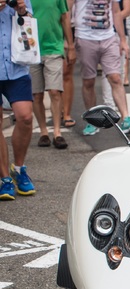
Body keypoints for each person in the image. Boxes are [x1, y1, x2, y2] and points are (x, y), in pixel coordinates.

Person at [72, 0, 130, 136]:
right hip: (85, 37)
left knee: (115, 78)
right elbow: (66, 11)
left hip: (108, 37)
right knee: (88, 81)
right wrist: (68, 41)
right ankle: (92, 122)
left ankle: (126, 119)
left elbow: (115, 12)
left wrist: (122, 40)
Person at [1, 0, 37, 200]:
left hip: (17, 64)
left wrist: (21, 10)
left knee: (25, 117)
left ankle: (19, 168)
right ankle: (5, 179)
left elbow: (30, 22)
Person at [30, 0, 75, 150]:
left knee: (55, 91)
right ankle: (43, 132)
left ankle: (57, 132)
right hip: (30, 50)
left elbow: (64, 17)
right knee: (36, 94)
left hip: (53, 48)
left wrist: (71, 45)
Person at [61, 0, 75, 128]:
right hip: (56, 26)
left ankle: (66, 113)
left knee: (66, 72)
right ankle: (59, 108)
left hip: (74, 26)